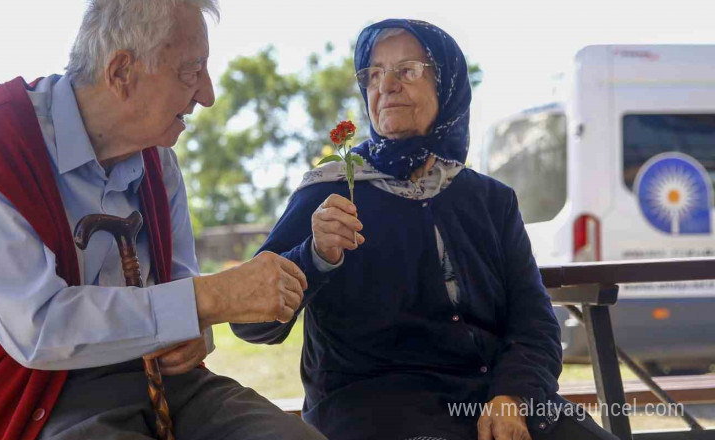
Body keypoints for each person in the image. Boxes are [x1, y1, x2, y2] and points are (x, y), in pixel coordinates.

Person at [0, 1, 325, 439]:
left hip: (165, 384)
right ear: (122, 72)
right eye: (191, 71)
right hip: (36, 398)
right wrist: (204, 301)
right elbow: (38, 329)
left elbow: (181, 289)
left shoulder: (158, 160)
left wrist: (196, 331)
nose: (207, 94)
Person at [232, 19, 618, 440]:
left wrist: (514, 395)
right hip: (378, 410)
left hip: (496, 398)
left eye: (407, 70)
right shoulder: (329, 192)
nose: (387, 85)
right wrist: (315, 254)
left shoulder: (491, 201)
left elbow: (535, 324)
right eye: (374, 73)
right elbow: (252, 326)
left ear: (447, 85)